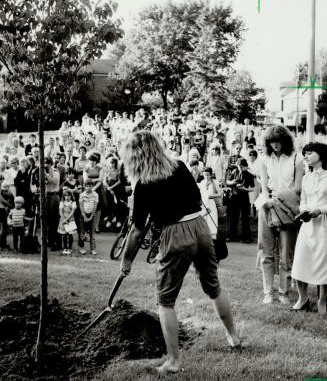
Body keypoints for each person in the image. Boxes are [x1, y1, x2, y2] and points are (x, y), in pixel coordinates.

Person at [120, 131, 240, 375]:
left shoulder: (143, 184)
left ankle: (173, 361)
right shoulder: (180, 166)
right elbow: (196, 197)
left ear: (134, 156)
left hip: (175, 234)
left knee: (165, 300)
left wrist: (125, 261)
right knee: (213, 286)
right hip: (201, 227)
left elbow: (136, 230)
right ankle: (234, 338)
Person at [257, 125, 303, 305]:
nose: (276, 145)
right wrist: (270, 203)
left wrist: (278, 200)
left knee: (286, 252)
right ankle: (268, 292)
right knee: (266, 250)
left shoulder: (296, 158)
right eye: (272, 142)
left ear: (286, 141)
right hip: (267, 206)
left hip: (287, 207)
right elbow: (264, 188)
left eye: (279, 141)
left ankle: (284, 291)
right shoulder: (263, 159)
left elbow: (297, 187)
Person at [291, 142, 327, 314]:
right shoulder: (306, 178)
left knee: (323, 263)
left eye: (309, 153)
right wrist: (303, 210)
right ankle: (302, 298)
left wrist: (320, 210)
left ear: (321, 155)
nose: (305, 156)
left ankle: (322, 301)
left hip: (324, 224)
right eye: (304, 153)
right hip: (308, 225)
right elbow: (303, 200)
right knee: (300, 259)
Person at [79, 178, 99, 255]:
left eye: (90, 186)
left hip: (92, 215)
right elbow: (81, 206)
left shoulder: (95, 195)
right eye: (87, 186)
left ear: (92, 186)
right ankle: (82, 248)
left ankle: (93, 249)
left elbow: (95, 206)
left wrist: (91, 216)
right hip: (83, 214)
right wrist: (84, 215)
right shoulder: (82, 195)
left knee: (92, 234)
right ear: (84, 186)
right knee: (82, 233)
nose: (88, 187)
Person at [57, 189, 77, 255]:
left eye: (68, 196)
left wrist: (67, 219)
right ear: (63, 196)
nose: (67, 197)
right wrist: (64, 219)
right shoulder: (62, 203)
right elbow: (61, 212)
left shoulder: (73, 203)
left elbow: (72, 212)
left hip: (70, 220)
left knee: (70, 235)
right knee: (64, 235)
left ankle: (70, 248)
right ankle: (65, 247)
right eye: (65, 196)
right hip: (63, 220)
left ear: (71, 196)